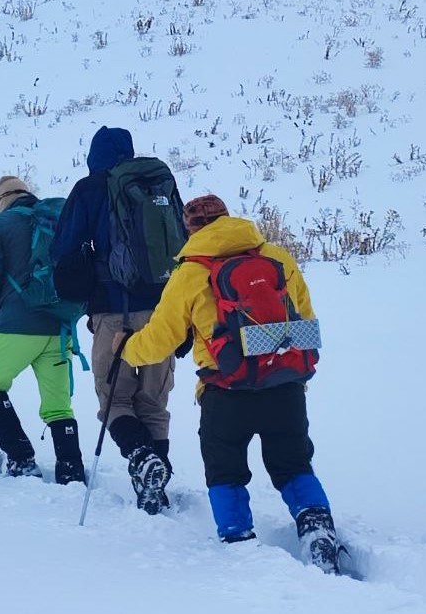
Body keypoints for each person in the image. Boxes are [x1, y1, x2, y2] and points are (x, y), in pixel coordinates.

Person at [115, 194, 343, 573]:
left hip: (225, 391)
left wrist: (127, 349)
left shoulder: (190, 272)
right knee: (294, 465)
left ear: (190, 228)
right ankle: (317, 527)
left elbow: (160, 339)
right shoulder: (276, 257)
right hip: (283, 384)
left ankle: (239, 543)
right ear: (227, 217)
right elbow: (304, 317)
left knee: (225, 472)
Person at [50, 125, 185, 513]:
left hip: (113, 312)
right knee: (154, 402)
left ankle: (142, 459)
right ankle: (155, 486)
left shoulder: (90, 189)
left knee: (115, 400)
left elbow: (63, 250)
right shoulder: (160, 185)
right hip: (163, 313)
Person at [0, 176, 85, 482]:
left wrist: (1, 314)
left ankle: (22, 458)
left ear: (0, 202)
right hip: (59, 327)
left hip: (17, 327)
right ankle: (71, 469)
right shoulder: (56, 219)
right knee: (58, 405)